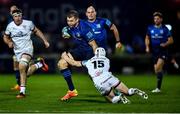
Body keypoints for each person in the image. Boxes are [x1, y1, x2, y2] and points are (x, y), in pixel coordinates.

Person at [61, 47, 148, 103]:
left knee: (112, 100)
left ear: (95, 53)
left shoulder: (89, 61)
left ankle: (119, 97)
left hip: (99, 81)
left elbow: (74, 63)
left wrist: (65, 57)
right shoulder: (107, 60)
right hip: (109, 77)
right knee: (128, 92)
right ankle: (132, 91)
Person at [3, 9, 50, 98]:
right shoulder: (10, 26)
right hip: (17, 51)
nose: (17, 18)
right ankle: (38, 64)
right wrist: (9, 42)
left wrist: (45, 41)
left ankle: (22, 93)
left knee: (22, 66)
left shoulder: (28, 23)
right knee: (24, 73)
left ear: (22, 16)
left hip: (27, 49)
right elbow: (5, 37)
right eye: (15, 16)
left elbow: (37, 31)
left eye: (19, 16)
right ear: (13, 17)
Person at [58, 10, 98, 101]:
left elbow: (94, 44)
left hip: (89, 52)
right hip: (79, 50)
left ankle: (113, 90)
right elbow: (67, 34)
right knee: (61, 63)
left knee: (94, 76)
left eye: (71, 21)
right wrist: (65, 35)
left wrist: (97, 57)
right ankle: (72, 90)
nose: (69, 23)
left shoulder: (84, 28)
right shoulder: (70, 27)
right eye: (68, 21)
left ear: (77, 20)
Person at [145, 12, 174, 93]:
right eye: (155, 19)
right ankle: (158, 88)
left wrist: (165, 44)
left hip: (163, 51)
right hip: (155, 52)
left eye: (157, 19)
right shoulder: (150, 28)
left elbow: (171, 40)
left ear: (161, 19)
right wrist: (147, 47)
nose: (156, 20)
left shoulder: (165, 29)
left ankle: (158, 88)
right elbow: (147, 38)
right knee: (157, 70)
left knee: (157, 68)